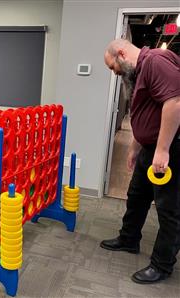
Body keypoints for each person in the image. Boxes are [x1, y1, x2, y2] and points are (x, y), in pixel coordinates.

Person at [101, 38, 180, 284]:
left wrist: (163, 150)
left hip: (170, 148)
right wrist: (136, 147)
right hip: (149, 147)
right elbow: (147, 113)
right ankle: (129, 239)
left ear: (121, 54)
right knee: (137, 195)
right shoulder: (140, 72)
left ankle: (162, 265)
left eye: (113, 67)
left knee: (169, 209)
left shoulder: (156, 61)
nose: (115, 73)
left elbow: (175, 103)